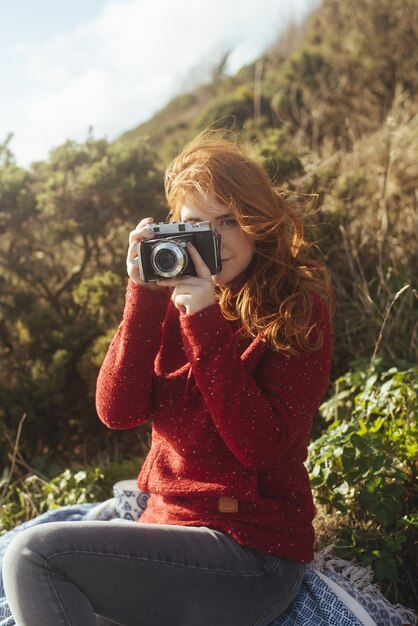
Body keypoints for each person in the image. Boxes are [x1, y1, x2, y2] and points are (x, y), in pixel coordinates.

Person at [3, 133, 333, 626]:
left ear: (257, 222)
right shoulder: (171, 298)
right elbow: (118, 412)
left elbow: (259, 446)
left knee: (33, 556)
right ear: (174, 231)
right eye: (197, 227)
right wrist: (143, 296)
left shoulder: (296, 309)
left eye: (228, 222)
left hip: (252, 552)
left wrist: (204, 321)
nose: (215, 242)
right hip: (164, 527)